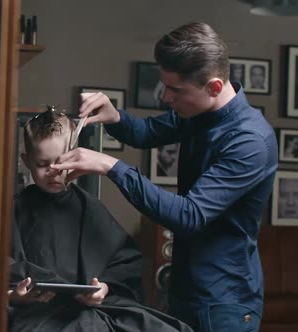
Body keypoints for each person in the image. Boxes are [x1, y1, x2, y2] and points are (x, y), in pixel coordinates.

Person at [50, 22, 278, 332]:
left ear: (212, 87)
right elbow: (148, 132)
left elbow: (190, 214)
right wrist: (114, 116)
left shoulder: (250, 141)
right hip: (185, 288)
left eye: (175, 90)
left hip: (223, 301)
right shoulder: (199, 112)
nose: (166, 97)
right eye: (165, 86)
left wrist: (110, 166)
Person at [8, 107, 192, 332]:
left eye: (61, 161)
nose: (54, 171)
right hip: (37, 313)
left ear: (76, 156)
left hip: (90, 309)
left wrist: (104, 288)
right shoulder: (12, 211)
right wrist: (14, 296)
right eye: (43, 164)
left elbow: (124, 263)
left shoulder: (89, 208)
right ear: (26, 161)